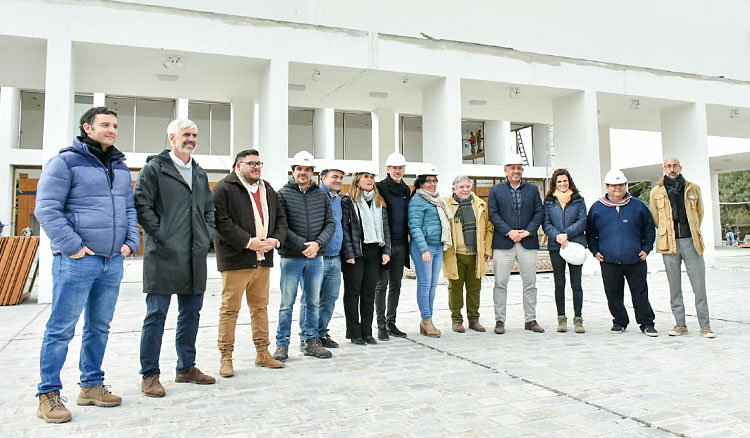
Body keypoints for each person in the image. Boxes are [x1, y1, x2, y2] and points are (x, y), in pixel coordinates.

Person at [34, 106, 139, 423]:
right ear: (87, 127)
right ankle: (48, 394)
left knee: (99, 327)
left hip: (112, 262)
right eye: (105, 124)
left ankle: (91, 385)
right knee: (61, 329)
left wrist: (130, 242)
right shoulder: (65, 161)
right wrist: (74, 247)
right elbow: (47, 209)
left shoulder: (119, 166)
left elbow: (128, 208)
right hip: (77, 262)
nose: (112, 130)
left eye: (115, 125)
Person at [134, 119, 216, 398]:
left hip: (195, 255)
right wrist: (163, 236)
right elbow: (143, 206)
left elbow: (209, 210)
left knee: (191, 313)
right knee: (156, 315)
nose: (191, 139)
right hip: (164, 254)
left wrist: (206, 236)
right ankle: (150, 375)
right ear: (172, 137)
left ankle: (186, 367)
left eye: (194, 135)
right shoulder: (154, 169)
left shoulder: (200, 173)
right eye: (186, 134)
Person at [212, 149, 287, 378]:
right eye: (251, 163)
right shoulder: (224, 189)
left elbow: (281, 219)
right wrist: (248, 242)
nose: (256, 167)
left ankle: (262, 352)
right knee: (230, 309)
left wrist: (275, 240)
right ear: (238, 166)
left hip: (263, 259)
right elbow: (221, 222)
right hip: (237, 259)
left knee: (260, 308)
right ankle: (226, 357)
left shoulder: (268, 190)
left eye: (258, 163)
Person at [273, 151, 336, 362]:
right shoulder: (282, 194)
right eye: (299, 169)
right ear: (293, 171)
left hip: (316, 257)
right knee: (286, 303)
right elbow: (281, 226)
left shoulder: (321, 195)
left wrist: (318, 244)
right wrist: (303, 246)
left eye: (307, 169)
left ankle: (310, 341)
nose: (303, 173)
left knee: (313, 302)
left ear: (312, 173)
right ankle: (282, 344)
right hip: (292, 257)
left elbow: (330, 223)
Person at [650, 158, 715, 338]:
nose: (672, 169)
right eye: (668, 166)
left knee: (699, 285)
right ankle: (680, 324)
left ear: (680, 168)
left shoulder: (693, 188)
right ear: (664, 168)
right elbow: (656, 217)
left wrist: (692, 230)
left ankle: (705, 325)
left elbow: (699, 213)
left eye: (675, 166)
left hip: (691, 242)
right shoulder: (656, 191)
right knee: (674, 286)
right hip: (669, 244)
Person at [587, 169, 657, 336]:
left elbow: (649, 229)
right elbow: (590, 232)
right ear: (607, 187)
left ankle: (647, 323)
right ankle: (619, 322)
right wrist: (595, 251)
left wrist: (646, 249)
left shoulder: (638, 205)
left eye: (620, 185)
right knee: (613, 293)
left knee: (640, 293)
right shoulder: (597, 208)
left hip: (635, 260)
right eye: (613, 185)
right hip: (609, 261)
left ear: (626, 185)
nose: (617, 188)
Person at [487, 153, 545, 334]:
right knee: (500, 283)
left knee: (530, 283)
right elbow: (493, 214)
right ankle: (499, 320)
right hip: (504, 242)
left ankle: (530, 319)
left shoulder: (533, 190)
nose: (516, 171)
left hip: (528, 241)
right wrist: (510, 232)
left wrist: (528, 231)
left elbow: (539, 212)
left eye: (519, 168)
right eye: (512, 168)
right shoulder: (496, 190)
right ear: (505, 170)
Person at [341, 168, 391, 344]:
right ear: (357, 180)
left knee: (369, 292)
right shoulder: (348, 201)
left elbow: (386, 229)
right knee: (353, 292)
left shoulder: (379, 202)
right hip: (355, 251)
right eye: (366, 177)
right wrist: (348, 252)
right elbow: (345, 229)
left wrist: (386, 251)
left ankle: (367, 332)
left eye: (371, 178)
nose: (369, 180)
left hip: (374, 250)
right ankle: (355, 333)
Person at [442, 176, 493, 333]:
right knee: (455, 289)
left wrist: (487, 250)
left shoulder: (480, 204)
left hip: (475, 254)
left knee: (474, 289)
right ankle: (456, 320)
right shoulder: (446, 204)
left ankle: (474, 319)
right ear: (454, 189)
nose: (465, 190)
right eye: (461, 187)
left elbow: (489, 228)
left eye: (467, 186)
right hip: (455, 254)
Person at [303, 165, 346, 349]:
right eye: (334, 177)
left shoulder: (339, 200)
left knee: (329, 298)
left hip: (335, 258)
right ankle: (308, 336)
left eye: (341, 178)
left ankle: (321, 333)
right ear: (323, 178)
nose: (338, 180)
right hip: (317, 257)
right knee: (311, 300)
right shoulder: (316, 196)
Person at [408, 163, 452, 337]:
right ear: (420, 183)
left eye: (434, 181)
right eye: (428, 181)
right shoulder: (417, 200)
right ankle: (426, 320)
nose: (432, 184)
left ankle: (427, 319)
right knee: (425, 284)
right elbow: (415, 227)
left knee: (433, 285)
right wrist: (424, 249)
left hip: (438, 246)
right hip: (424, 248)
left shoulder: (437, 199)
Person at [543, 169, 587, 333]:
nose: (562, 184)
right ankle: (561, 318)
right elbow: (546, 224)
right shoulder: (548, 201)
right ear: (554, 183)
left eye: (565, 181)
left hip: (575, 245)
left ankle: (578, 319)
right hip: (556, 246)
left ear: (569, 182)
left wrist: (567, 235)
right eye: (559, 182)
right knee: (559, 283)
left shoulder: (578, 200)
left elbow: (582, 221)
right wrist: (558, 237)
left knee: (576, 284)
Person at [374, 152, 410, 340]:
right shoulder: (379, 187)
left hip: (401, 245)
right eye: (394, 168)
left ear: (404, 170)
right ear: (388, 169)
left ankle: (391, 322)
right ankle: (380, 325)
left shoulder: (405, 190)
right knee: (382, 285)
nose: (397, 171)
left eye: (400, 168)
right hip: (385, 245)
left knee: (396, 285)